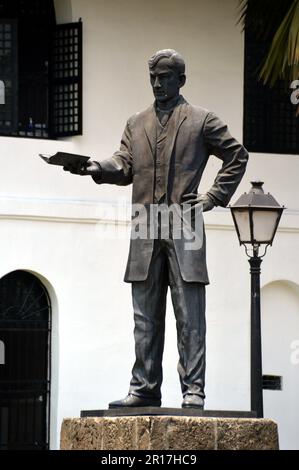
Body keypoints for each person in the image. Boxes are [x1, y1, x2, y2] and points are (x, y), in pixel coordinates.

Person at [64, 49, 248, 409]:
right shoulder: (137, 122)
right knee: (144, 317)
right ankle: (145, 386)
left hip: (185, 227)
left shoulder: (201, 120)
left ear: (181, 79)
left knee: (189, 314)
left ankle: (193, 389)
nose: (157, 84)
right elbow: (124, 163)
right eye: (153, 77)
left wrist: (213, 196)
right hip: (145, 229)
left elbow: (236, 155)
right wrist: (96, 168)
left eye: (164, 77)